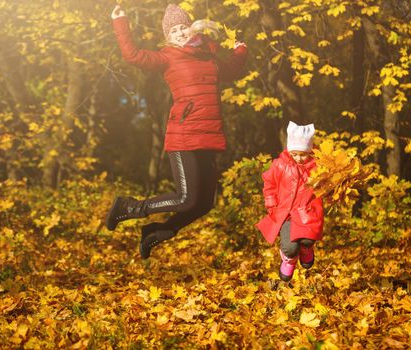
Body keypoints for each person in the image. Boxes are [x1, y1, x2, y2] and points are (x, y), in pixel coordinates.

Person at [106, 4, 248, 259]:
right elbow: (133, 56)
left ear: (192, 29)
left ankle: (156, 232)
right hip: (183, 136)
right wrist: (121, 23)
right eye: (174, 31)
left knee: (204, 203)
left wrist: (240, 50)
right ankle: (128, 207)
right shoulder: (167, 57)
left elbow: (233, 70)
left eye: (184, 27)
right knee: (185, 198)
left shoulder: (209, 58)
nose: (181, 33)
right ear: (167, 38)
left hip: (209, 136)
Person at [256, 121, 324, 282]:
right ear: (289, 150)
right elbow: (269, 183)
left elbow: (327, 185)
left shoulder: (317, 167)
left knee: (307, 239)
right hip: (286, 213)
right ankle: (289, 259)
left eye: (303, 154)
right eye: (294, 154)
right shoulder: (279, 165)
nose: (298, 158)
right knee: (290, 247)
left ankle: (307, 248)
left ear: (310, 151)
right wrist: (271, 203)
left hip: (307, 212)